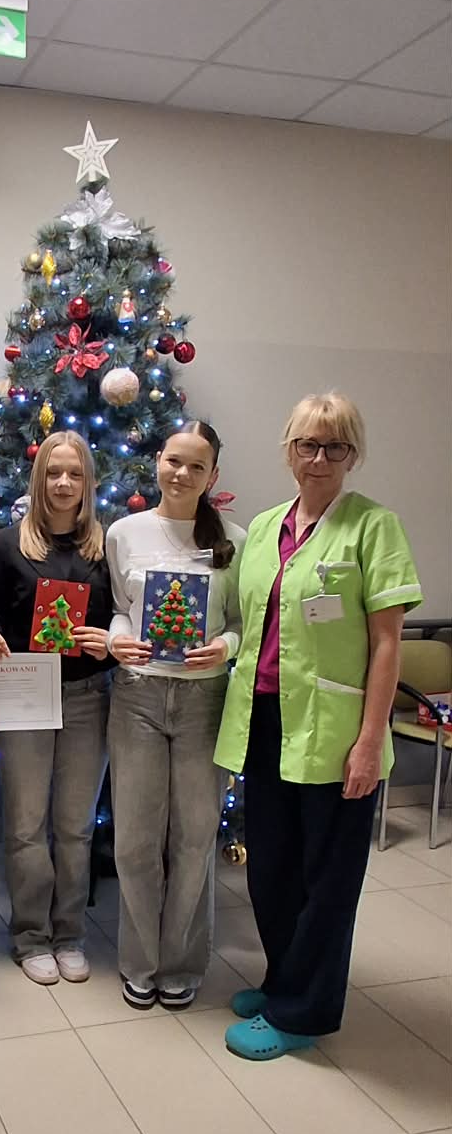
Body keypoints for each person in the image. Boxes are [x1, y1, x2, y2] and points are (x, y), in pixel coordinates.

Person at [215, 392, 421, 1061]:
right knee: (271, 868)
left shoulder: (373, 527)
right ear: (289, 450)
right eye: (307, 443)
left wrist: (370, 741)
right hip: (265, 719)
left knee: (326, 878)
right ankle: (283, 982)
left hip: (337, 730)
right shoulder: (264, 527)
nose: (319, 457)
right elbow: (248, 623)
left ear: (352, 454)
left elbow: (386, 644)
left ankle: (304, 1012)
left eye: (335, 445)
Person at [106, 422, 246, 1008]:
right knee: (135, 840)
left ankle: (182, 964)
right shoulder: (124, 533)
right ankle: (140, 962)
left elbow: (242, 623)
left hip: (203, 702)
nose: (182, 474)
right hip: (137, 696)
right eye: (173, 461)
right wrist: (117, 640)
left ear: (212, 475)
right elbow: (120, 609)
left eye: (196, 466)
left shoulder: (235, 540)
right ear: (157, 463)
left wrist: (225, 648)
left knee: (193, 838)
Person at [0, 432, 112, 985]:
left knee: (75, 827)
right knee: (27, 825)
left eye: (74, 474)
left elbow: (124, 621)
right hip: (24, 697)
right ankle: (31, 935)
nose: (63, 483)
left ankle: (69, 933)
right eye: (54, 472)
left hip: (87, 698)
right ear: (39, 478)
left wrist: (107, 641)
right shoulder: (8, 545)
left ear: (87, 482)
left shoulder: (106, 546)